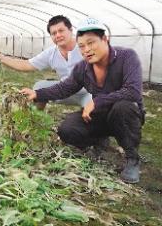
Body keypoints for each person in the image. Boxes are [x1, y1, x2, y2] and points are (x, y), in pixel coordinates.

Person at [20, 17, 145, 184]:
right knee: (67, 129)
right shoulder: (83, 67)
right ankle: (99, 141)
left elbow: (133, 91)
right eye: (82, 46)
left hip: (125, 114)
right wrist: (37, 94)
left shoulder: (126, 57)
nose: (87, 49)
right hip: (99, 114)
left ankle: (132, 159)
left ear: (105, 39)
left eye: (91, 43)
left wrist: (97, 101)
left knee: (123, 107)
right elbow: (64, 88)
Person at [0, 15, 92, 109]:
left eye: (61, 31)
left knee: (95, 106)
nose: (58, 35)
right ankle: (38, 116)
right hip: (62, 92)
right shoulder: (51, 53)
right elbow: (26, 64)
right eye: (54, 33)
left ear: (71, 31)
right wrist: (2, 58)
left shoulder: (86, 48)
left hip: (87, 94)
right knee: (39, 86)